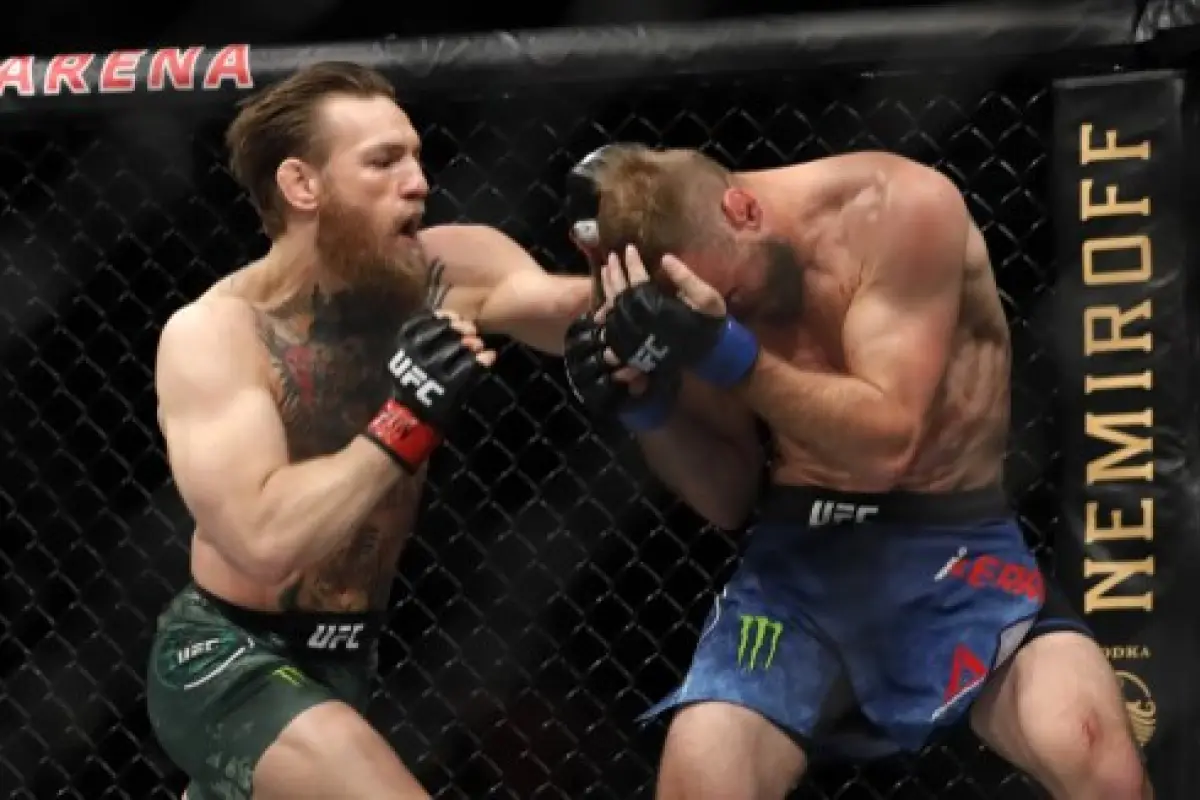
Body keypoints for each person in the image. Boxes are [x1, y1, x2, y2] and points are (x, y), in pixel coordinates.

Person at [562, 143, 1151, 800]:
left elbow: (889, 440)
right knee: (701, 779)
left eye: (732, 299)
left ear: (743, 209)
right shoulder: (691, 290)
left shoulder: (901, 209)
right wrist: (649, 409)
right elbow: (725, 497)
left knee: (1093, 747)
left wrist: (724, 349)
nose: (732, 318)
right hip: (800, 563)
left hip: (953, 543)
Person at [145, 62, 590, 800]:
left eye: (416, 156)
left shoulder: (444, 269)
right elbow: (261, 540)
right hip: (226, 656)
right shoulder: (216, 334)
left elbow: (559, 309)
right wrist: (404, 421)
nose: (417, 181)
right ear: (302, 186)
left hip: (353, 655)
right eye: (384, 162)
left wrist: (646, 287)